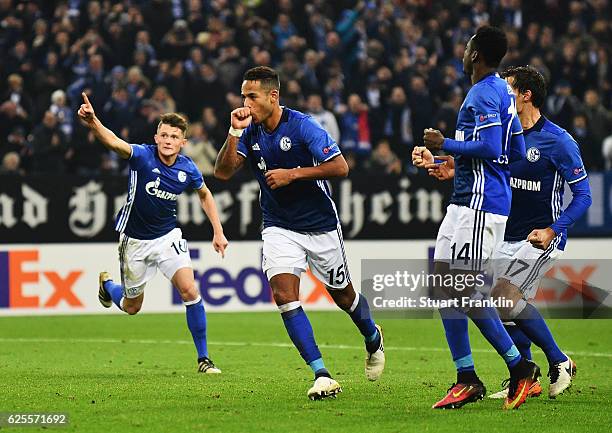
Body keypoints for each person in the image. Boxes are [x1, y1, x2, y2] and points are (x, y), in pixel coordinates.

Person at [214, 66, 384, 400]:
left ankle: (372, 336)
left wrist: (293, 174)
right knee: (283, 294)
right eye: (243, 95)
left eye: (252, 96)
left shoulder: (304, 125)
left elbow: (340, 167)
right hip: (278, 224)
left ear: (272, 96)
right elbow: (222, 173)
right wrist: (234, 133)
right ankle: (321, 373)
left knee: (344, 296)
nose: (245, 103)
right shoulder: (249, 131)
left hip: (319, 225)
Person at [421, 66, 591, 399]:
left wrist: (553, 229)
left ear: (526, 95)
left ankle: (558, 360)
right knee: (482, 299)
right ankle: (525, 377)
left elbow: (584, 195)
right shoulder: (507, 134)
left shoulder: (558, 141)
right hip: (503, 234)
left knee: (502, 297)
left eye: (509, 88)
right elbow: (488, 166)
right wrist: (446, 166)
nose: (502, 93)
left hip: (540, 239)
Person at [414, 26, 538, 410]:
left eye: (468, 46)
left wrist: (444, 144)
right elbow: (513, 149)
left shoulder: (485, 91)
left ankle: (521, 369)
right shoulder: (502, 90)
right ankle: (466, 377)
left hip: (480, 208)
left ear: (476, 54)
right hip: (467, 200)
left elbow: (488, 145)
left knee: (466, 291)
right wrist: (455, 163)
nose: (463, 51)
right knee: (445, 287)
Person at [76, 92, 228, 374]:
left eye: (174, 136)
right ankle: (108, 286)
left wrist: (218, 231)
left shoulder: (187, 168)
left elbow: (205, 195)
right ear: (156, 138)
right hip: (134, 241)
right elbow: (114, 142)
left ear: (183, 142)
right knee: (132, 307)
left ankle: (204, 359)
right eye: (164, 135)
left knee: (190, 290)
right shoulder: (143, 156)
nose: (168, 140)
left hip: (168, 237)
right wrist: (94, 122)